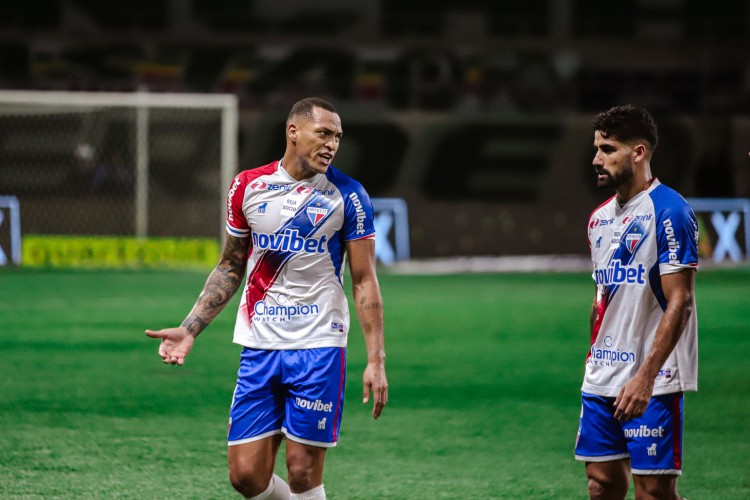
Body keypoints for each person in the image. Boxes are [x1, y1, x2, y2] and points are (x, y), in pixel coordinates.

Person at [146, 97, 388, 500]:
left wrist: (376, 360)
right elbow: (230, 265)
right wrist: (190, 329)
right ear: (293, 131)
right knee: (246, 477)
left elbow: (364, 279)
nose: (332, 144)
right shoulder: (247, 185)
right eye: (324, 133)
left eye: (338, 138)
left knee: (301, 471)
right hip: (260, 344)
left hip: (318, 345)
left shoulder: (348, 195)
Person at [575, 105, 699, 500]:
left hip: (654, 378)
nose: (597, 159)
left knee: (653, 492)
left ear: (639, 153)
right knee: (602, 482)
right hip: (602, 372)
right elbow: (603, 298)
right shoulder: (598, 220)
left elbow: (681, 300)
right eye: (596, 148)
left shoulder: (671, 211)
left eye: (608, 149)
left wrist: (645, 377)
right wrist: (593, 357)